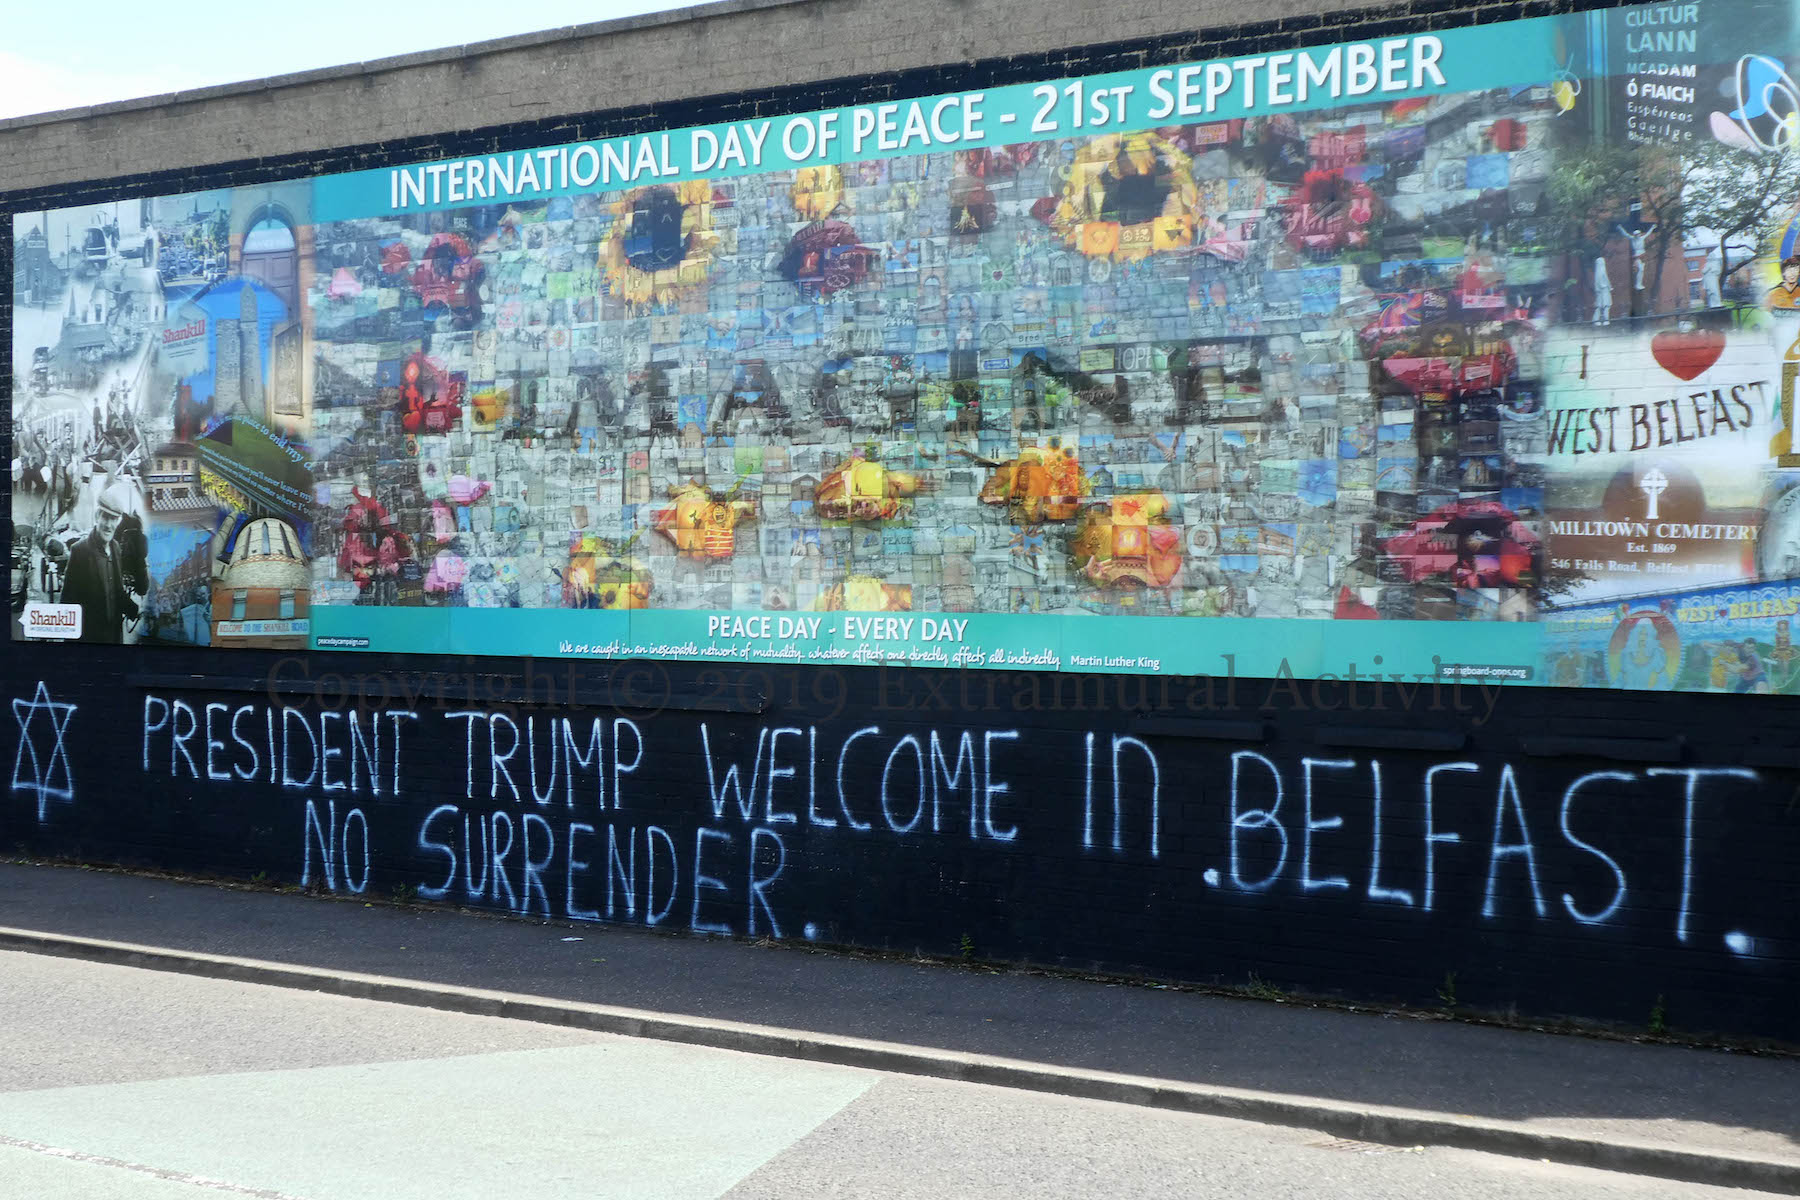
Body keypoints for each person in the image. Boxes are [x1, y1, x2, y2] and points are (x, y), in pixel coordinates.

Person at [60, 479, 139, 644]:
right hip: (90, 640)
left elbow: (117, 591)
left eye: (114, 519)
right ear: (97, 516)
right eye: (106, 517)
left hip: (114, 637)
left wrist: (135, 609)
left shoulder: (116, 548)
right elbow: (68, 604)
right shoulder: (79, 551)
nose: (109, 525)